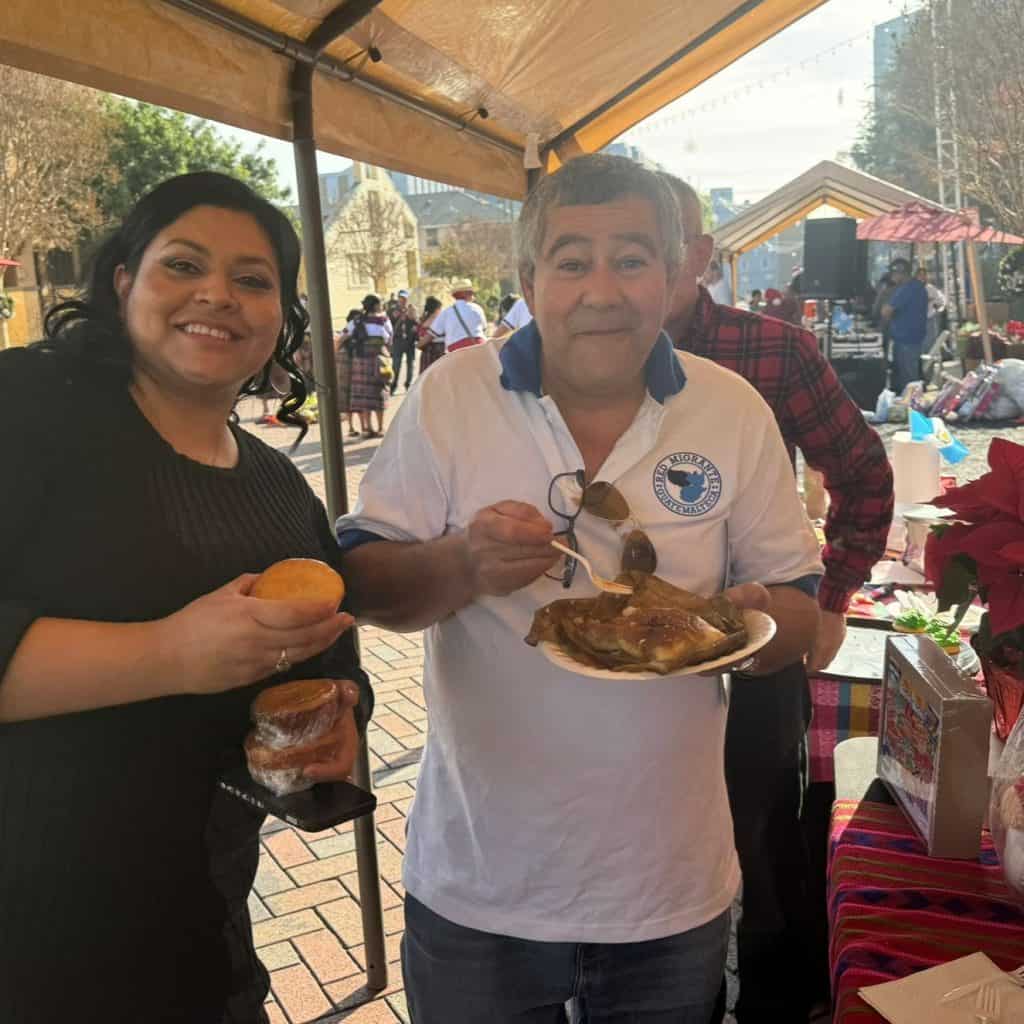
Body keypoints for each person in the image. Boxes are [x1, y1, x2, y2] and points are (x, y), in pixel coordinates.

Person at [337, 153, 824, 1023]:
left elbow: (795, 603)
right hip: (482, 885)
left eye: (631, 259)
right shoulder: (452, 396)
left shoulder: (731, 409)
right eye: (572, 262)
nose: (602, 290)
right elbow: (365, 583)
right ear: (529, 280)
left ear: (674, 276)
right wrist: (463, 564)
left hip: (670, 887)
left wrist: (752, 631)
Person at [0, 171, 372, 1024]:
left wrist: (336, 721)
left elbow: (332, 658)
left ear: (280, 315)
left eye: (253, 279)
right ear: (123, 281)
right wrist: (166, 654)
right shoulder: (28, 407)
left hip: (199, 932)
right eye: (184, 265)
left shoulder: (278, 484)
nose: (218, 294)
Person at [660, 173, 894, 1023]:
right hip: (623, 657)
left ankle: (770, 1000)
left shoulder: (770, 349)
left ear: (699, 255)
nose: (624, 274)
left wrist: (829, 599)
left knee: (758, 836)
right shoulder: (569, 360)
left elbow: (863, 473)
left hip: (755, 645)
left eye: (651, 249)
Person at [346, 293, 392, 438]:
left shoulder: (356, 321)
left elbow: (345, 334)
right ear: (376, 305)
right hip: (378, 359)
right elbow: (389, 339)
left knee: (363, 395)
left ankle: (367, 428)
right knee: (379, 392)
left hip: (360, 361)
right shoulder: (383, 320)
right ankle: (381, 428)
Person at [882, 257, 928, 392]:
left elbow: (886, 311)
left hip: (905, 341)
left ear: (900, 272)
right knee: (909, 378)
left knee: (909, 382)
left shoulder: (906, 289)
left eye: (893, 273)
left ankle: (911, 404)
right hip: (913, 339)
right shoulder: (918, 286)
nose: (891, 276)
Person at [426, 278, 488, 352]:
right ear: (465, 294)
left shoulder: (446, 312)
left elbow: (432, 334)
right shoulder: (477, 308)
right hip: (478, 347)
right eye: (471, 292)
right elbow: (484, 328)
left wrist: (418, 345)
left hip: (456, 350)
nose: (473, 295)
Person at [335, 307, 362, 436]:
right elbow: (338, 343)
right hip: (347, 367)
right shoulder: (348, 330)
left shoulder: (360, 330)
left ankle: (361, 426)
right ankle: (352, 427)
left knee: (356, 397)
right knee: (349, 398)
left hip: (354, 366)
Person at [390, 296, 419, 395]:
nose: (403, 301)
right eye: (401, 299)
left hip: (410, 344)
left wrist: (415, 328)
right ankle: (393, 386)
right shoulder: (395, 313)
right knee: (396, 366)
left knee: (410, 365)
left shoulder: (414, 315)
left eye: (404, 299)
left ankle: (408, 384)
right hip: (398, 343)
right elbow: (391, 326)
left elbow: (417, 329)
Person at [916, 265, 947, 353]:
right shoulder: (912, 289)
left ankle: (929, 358)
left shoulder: (931, 288)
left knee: (930, 341)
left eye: (924, 275)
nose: (922, 277)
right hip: (916, 320)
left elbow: (940, 301)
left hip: (929, 318)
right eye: (920, 275)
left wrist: (936, 305)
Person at [416, 295, 444, 375]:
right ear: (437, 309)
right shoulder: (438, 321)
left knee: (426, 377)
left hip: (426, 353)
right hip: (438, 353)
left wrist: (418, 344)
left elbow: (420, 339)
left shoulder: (423, 320)